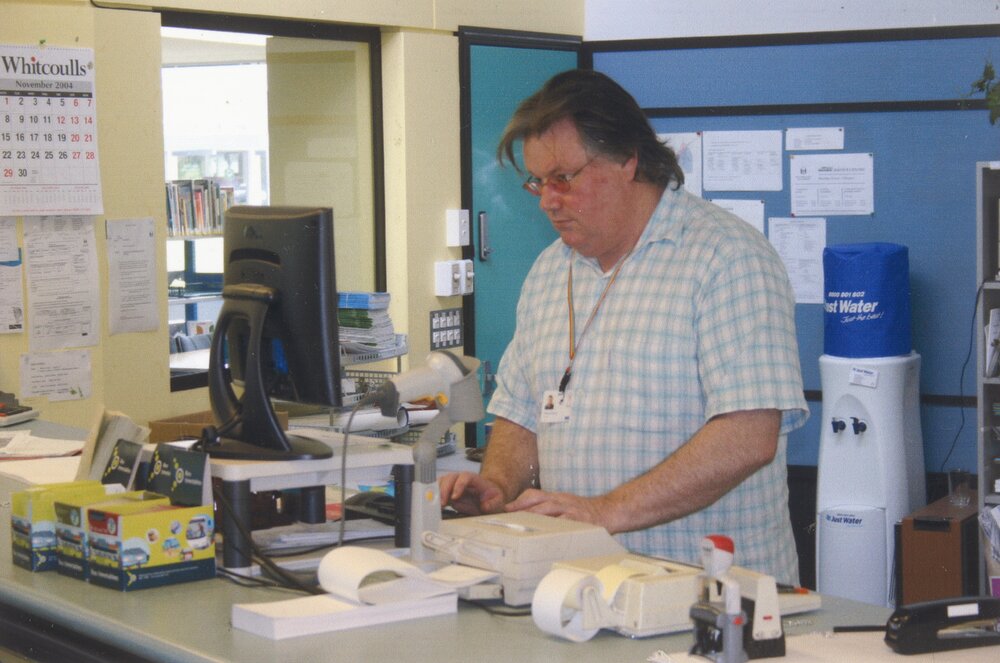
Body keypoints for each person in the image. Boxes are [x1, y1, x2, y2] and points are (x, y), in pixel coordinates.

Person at [439, 69, 808, 584]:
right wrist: (499, 486)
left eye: (564, 178)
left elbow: (747, 437)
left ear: (628, 158)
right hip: (585, 587)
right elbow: (521, 414)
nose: (547, 200)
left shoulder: (726, 258)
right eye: (537, 182)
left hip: (708, 595)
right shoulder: (550, 269)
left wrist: (604, 512)